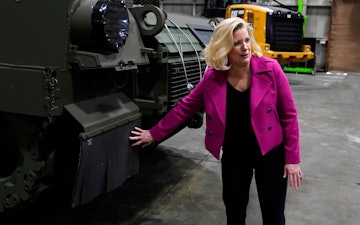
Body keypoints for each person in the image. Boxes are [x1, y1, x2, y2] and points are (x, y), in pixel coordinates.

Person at [129, 17, 303, 225]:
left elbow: (289, 116)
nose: (245, 47)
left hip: (270, 152)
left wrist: (292, 159)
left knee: (273, 216)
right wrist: (154, 133)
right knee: (234, 212)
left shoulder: (271, 69)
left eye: (247, 40)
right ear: (224, 48)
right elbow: (187, 106)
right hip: (235, 154)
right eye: (237, 43)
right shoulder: (214, 77)